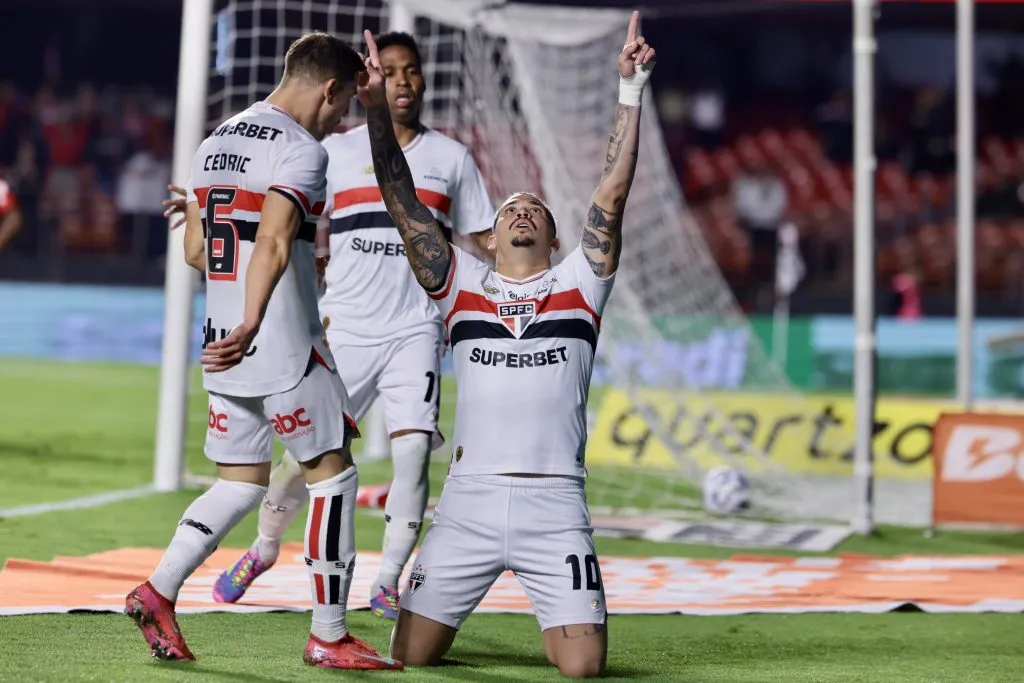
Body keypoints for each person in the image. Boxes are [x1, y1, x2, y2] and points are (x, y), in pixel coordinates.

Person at [357, 13, 655, 678]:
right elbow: (401, 200)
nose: (521, 209)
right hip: (469, 503)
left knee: (581, 667)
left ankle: (559, 614)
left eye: (537, 210)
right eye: (508, 209)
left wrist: (630, 91)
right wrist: (377, 111)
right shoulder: (460, 284)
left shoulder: (581, 282)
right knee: (411, 655)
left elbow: (612, 191)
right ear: (487, 239)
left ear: (554, 239)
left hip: (557, 504)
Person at [164, 32, 495, 620]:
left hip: (416, 326)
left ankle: (389, 580)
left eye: (411, 70)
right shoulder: (324, 149)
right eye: (388, 71)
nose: (402, 81)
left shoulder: (451, 159)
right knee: (306, 466)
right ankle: (267, 552)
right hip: (336, 324)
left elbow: (481, 238)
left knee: (414, 449)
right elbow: (276, 235)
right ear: (353, 87)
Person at [125, 32, 401, 671]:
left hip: (220, 342)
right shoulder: (301, 149)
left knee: (241, 482)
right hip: (275, 338)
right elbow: (274, 241)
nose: (338, 123)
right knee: (334, 479)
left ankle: (159, 590)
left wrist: (251, 298)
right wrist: (256, 318)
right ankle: (329, 635)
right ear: (330, 89)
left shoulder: (215, 140)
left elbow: (198, 251)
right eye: (341, 109)